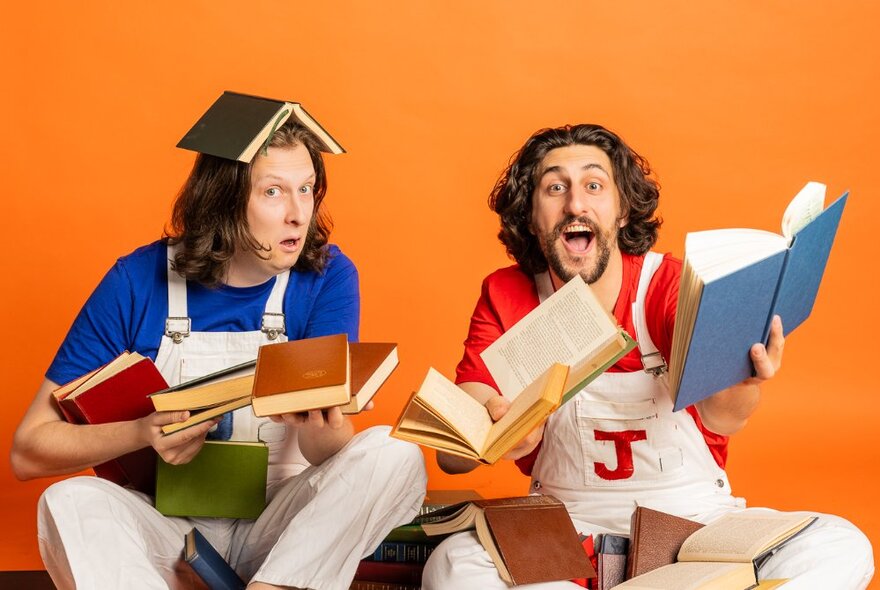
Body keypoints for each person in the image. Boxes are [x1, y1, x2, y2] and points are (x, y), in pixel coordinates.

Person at [422, 124, 873, 589]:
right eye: (555, 188)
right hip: (560, 532)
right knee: (452, 566)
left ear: (620, 211)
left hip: (696, 530)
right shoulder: (506, 294)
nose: (575, 204)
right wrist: (495, 429)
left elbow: (722, 419)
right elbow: (454, 449)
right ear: (532, 217)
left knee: (841, 544)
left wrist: (744, 381)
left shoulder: (670, 285)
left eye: (594, 185)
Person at [11, 115, 427, 590]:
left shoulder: (327, 276)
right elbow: (29, 450)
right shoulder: (136, 279)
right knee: (69, 501)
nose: (298, 213)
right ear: (224, 201)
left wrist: (325, 421)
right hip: (169, 529)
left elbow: (323, 456)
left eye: (307, 188)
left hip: (280, 533)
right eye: (274, 192)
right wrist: (142, 432)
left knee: (393, 455)